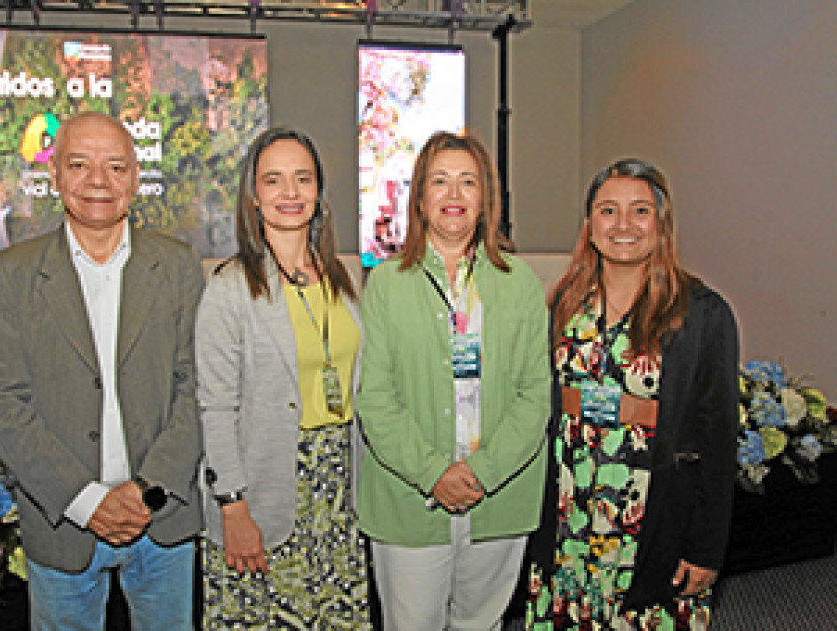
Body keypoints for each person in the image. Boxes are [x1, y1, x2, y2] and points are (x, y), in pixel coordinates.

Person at [0, 111, 204, 630]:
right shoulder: (13, 275)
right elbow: (1, 401)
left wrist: (148, 490)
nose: (98, 181)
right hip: (63, 523)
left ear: (135, 179)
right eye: (79, 164)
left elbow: (196, 387)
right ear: (54, 176)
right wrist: (85, 500)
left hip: (161, 519)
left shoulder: (178, 266)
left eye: (115, 167)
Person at [524, 159, 739, 629]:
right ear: (589, 223)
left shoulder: (702, 314)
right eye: (608, 211)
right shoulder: (566, 303)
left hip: (652, 522)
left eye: (639, 211)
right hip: (569, 516)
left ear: (660, 224)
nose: (623, 225)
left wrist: (706, 549)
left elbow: (718, 444)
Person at [356, 131, 551, 630]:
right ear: (419, 199)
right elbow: (375, 398)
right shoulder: (386, 284)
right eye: (439, 182)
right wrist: (433, 473)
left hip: (499, 496)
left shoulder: (521, 284)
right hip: (409, 498)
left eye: (468, 182)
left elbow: (535, 396)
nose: (454, 195)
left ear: (487, 197)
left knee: (479, 623)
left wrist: (483, 472)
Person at [196, 127, 371, 628]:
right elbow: (215, 407)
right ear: (254, 198)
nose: (290, 194)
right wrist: (231, 507)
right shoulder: (230, 288)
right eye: (274, 181)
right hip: (265, 489)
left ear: (319, 193)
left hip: (338, 490)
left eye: (303, 179)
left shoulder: (344, 276)